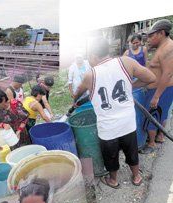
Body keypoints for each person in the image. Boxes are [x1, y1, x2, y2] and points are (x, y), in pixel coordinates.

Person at [74, 37, 156, 189]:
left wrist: (75, 100)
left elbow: (77, 94)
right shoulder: (126, 62)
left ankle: (113, 180)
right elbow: (151, 78)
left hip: (108, 128)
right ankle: (137, 177)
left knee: (110, 155)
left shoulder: (89, 75)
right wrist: (131, 84)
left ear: (92, 56)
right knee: (131, 151)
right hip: (128, 123)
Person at [143, 19, 173, 152]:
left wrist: (156, 96)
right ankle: (160, 137)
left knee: (153, 115)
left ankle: (151, 144)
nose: (148, 39)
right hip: (162, 89)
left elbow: (167, 74)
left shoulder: (168, 48)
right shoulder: (163, 47)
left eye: (151, 35)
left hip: (161, 90)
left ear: (161, 33)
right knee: (162, 113)